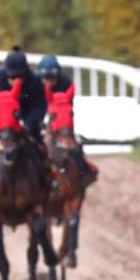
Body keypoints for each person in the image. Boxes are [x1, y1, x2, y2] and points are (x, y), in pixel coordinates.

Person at [0, 46, 50, 189]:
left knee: (40, 147)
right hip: (3, 121)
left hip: (27, 117)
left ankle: (47, 180)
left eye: (19, 77)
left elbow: (40, 106)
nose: (15, 80)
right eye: (12, 77)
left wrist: (29, 124)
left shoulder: (35, 81)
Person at [37, 54, 98, 188]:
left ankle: (84, 169)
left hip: (60, 118)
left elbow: (67, 108)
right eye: (46, 79)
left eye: (51, 79)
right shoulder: (35, 83)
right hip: (40, 115)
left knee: (72, 143)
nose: (49, 82)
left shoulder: (65, 82)